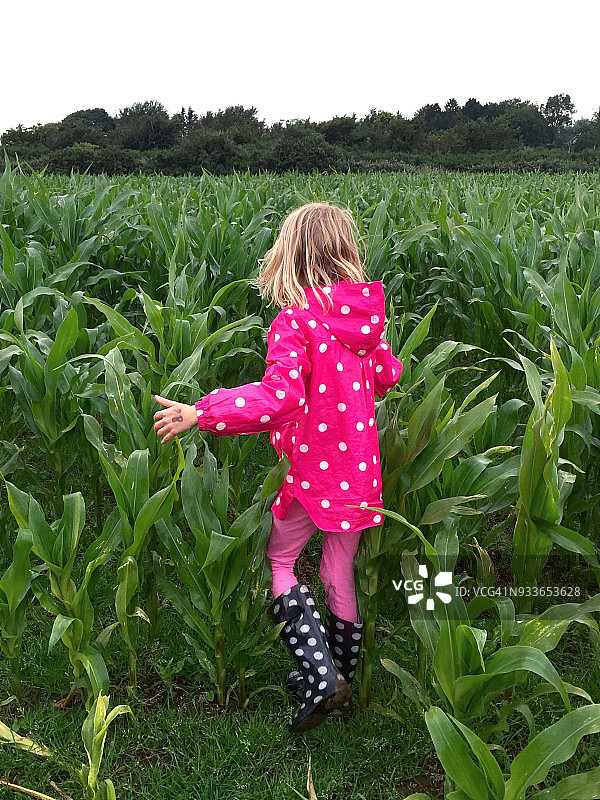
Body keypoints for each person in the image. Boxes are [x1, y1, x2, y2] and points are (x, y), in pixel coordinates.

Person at [153, 202, 402, 733]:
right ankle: (339, 678)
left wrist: (202, 412)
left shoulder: (298, 320)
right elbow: (386, 375)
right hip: (359, 475)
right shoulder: (365, 319)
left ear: (291, 253)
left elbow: (279, 398)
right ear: (344, 251)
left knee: (280, 559)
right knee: (339, 568)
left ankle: (320, 676)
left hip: (313, 474)